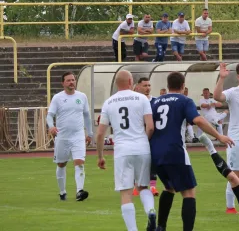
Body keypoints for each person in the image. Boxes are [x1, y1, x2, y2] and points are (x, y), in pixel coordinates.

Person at [150, 71, 234, 231]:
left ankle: (160, 227)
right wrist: (219, 136)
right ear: (183, 86)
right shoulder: (184, 100)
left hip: (156, 153)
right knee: (189, 193)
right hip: (175, 151)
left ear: (168, 86)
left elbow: (148, 126)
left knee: (169, 188)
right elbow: (198, 120)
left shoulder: (155, 102)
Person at [96, 71, 156, 231]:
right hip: (142, 147)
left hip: (122, 150)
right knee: (143, 187)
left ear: (116, 83)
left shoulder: (109, 102)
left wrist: (100, 156)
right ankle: (150, 210)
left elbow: (101, 133)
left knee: (126, 192)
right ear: (131, 81)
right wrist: (144, 141)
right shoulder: (142, 98)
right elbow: (150, 126)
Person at [212, 62, 239, 213]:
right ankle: (230, 207)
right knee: (236, 174)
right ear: (238, 76)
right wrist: (221, 78)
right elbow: (217, 96)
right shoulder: (233, 92)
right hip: (236, 140)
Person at [46, 72, 94, 201]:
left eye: (73, 80)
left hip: (78, 136)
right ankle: (62, 192)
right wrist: (51, 126)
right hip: (62, 137)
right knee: (61, 164)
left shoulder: (82, 97)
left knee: (79, 162)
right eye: (68, 80)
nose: (71, 82)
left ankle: (79, 191)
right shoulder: (57, 98)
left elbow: (87, 116)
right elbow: (50, 115)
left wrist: (89, 133)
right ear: (63, 83)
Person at [133, 77, 159, 197]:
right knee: (137, 161)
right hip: (137, 136)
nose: (147, 88)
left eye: (149, 85)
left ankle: (153, 186)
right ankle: (136, 186)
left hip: (152, 136)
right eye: (145, 86)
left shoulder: (156, 101)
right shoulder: (134, 101)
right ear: (138, 87)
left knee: (153, 161)